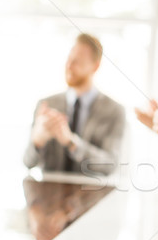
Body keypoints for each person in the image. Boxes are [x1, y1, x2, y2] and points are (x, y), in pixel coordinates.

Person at [23, 33, 125, 176]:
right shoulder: (47, 105)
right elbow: (27, 162)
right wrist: (37, 141)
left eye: (77, 61)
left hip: (91, 195)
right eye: (69, 59)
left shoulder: (114, 111)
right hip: (48, 195)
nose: (69, 66)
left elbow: (110, 166)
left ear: (95, 66)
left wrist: (71, 143)